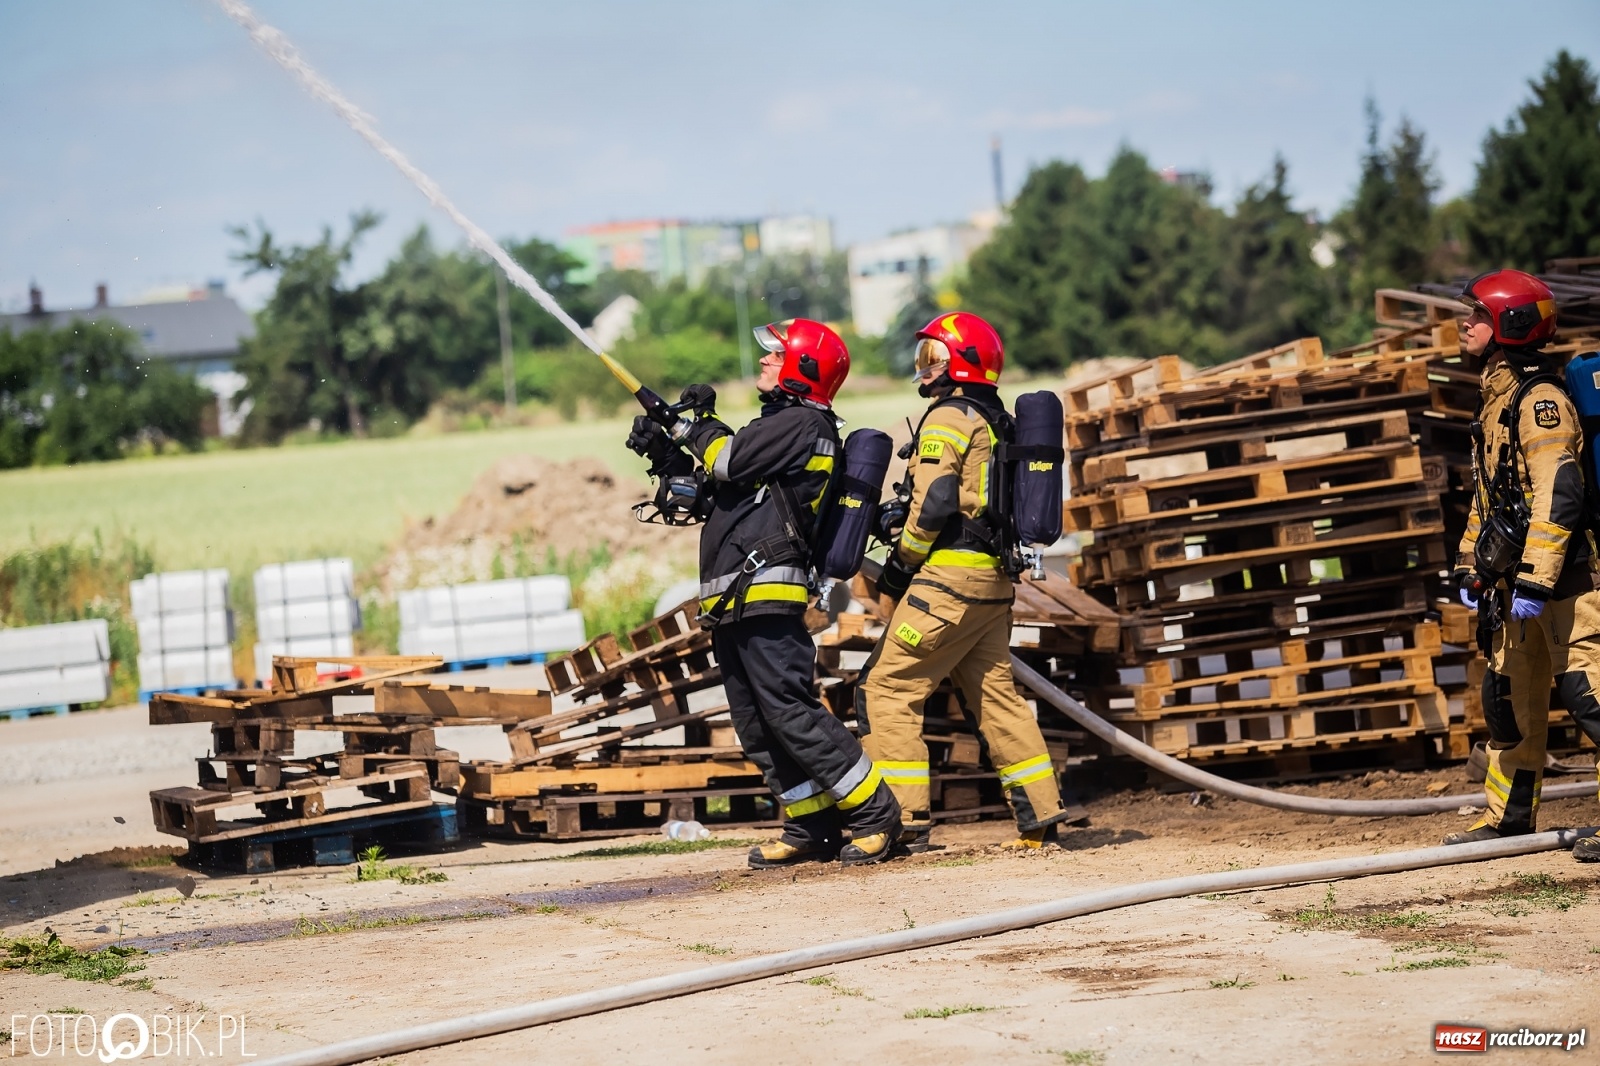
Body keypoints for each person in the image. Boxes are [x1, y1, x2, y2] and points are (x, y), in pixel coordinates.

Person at [624, 318, 903, 868]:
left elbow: (725, 459)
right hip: (734, 598)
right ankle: (811, 825)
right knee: (755, 720)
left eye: (775, 356)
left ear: (803, 367)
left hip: (767, 590)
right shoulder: (776, 430)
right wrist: (666, 453)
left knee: (790, 709)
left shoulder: (802, 423)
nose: (763, 362)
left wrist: (696, 426)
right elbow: (718, 494)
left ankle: (875, 814)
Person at [857, 311, 1078, 852]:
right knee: (994, 695)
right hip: (993, 584)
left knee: (885, 690)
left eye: (933, 357)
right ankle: (1041, 817)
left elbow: (934, 504)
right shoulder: (997, 420)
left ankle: (901, 821)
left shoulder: (948, 417)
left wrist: (898, 566)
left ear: (962, 364)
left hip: (947, 583)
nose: (923, 368)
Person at [1446, 269, 1600, 861]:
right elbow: (1489, 498)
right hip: (1515, 589)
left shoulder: (1540, 402)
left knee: (1590, 696)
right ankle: (1509, 819)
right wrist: (1470, 566)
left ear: (1509, 325)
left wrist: (1535, 578)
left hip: (1567, 583)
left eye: (1477, 315)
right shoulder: (1496, 402)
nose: (1466, 324)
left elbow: (1557, 495)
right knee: (1508, 701)